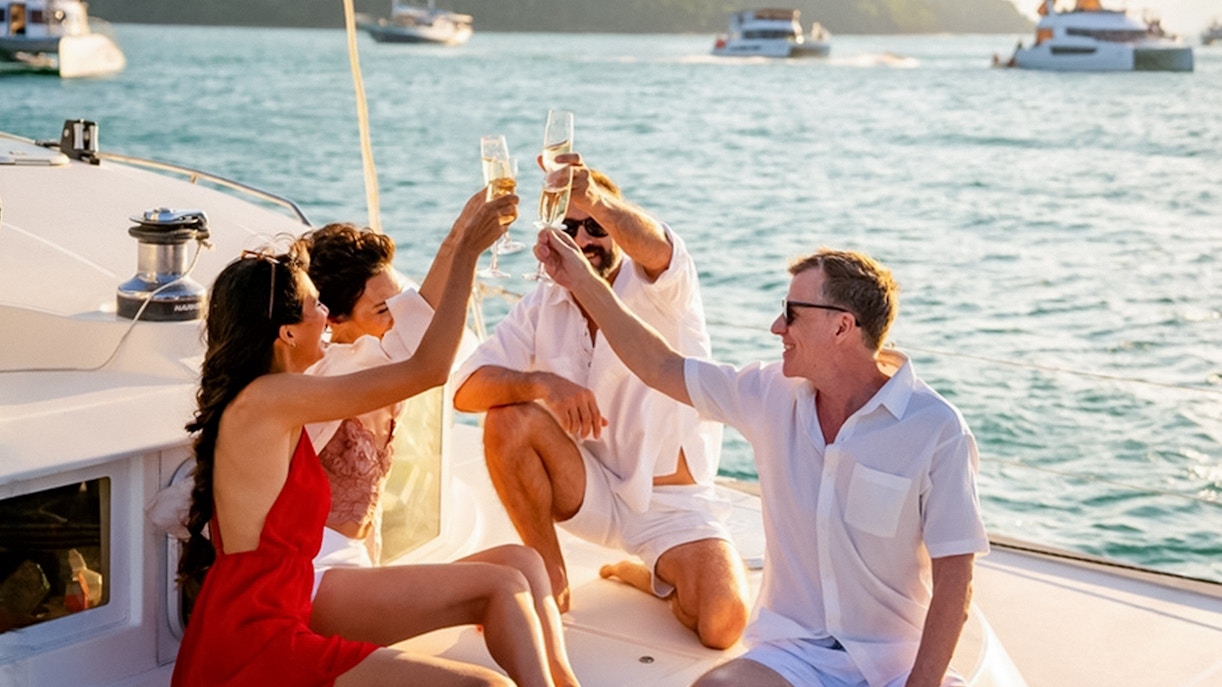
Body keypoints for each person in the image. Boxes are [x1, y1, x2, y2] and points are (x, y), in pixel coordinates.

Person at [533, 230, 991, 687]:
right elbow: (661, 367)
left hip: (898, 665)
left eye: (792, 314)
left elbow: (955, 579)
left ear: (841, 327)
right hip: (794, 656)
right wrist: (583, 282)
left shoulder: (935, 429)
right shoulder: (769, 393)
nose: (777, 327)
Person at [172, 189, 564, 687]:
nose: (327, 322)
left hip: (277, 620)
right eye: (316, 307)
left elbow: (411, 344)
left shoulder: (276, 398)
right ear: (287, 333)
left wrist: (461, 238)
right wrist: (467, 254)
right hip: (257, 638)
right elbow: (428, 368)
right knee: (489, 684)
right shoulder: (270, 400)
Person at [453, 155, 749, 650]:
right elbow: (466, 389)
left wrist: (598, 200)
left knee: (723, 623)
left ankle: (649, 575)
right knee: (508, 418)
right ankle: (551, 577)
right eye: (570, 227)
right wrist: (543, 384)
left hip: (670, 507)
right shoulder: (544, 301)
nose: (584, 239)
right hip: (589, 488)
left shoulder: (661, 286)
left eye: (596, 226)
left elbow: (656, 245)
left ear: (615, 229)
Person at [295, 213, 579, 687]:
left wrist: (464, 229)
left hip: (360, 570)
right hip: (318, 579)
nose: (399, 317)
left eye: (397, 299)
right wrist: (464, 251)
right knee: (502, 584)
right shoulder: (329, 378)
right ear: (336, 319)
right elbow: (426, 350)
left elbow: (426, 320)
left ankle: (566, 682)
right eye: (383, 311)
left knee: (523, 562)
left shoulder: (378, 356)